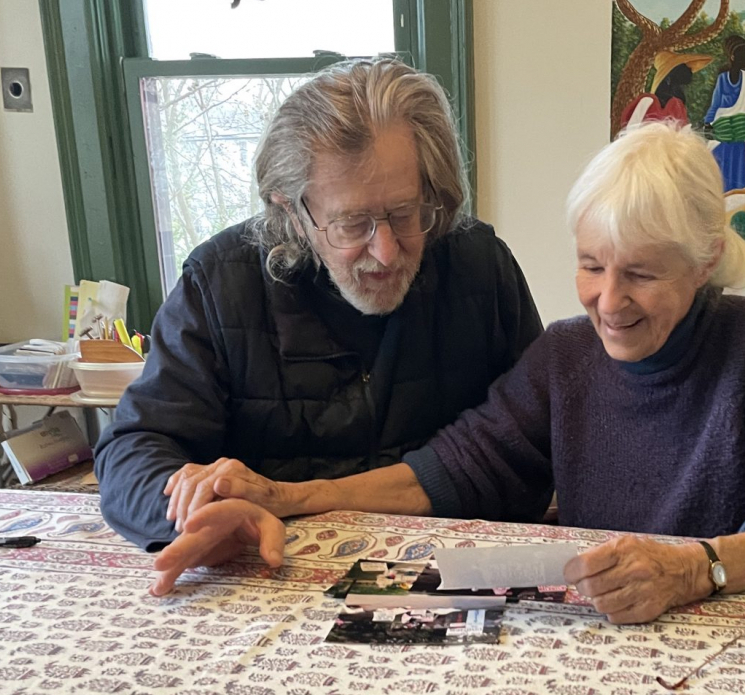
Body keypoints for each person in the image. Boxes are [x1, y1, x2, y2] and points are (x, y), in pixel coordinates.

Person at [152, 122, 745, 623]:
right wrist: (283, 496)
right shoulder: (566, 355)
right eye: (589, 265)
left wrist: (700, 568)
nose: (609, 303)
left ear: (705, 258)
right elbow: (449, 469)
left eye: (641, 273)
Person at [95, 58, 543, 580]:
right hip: (271, 576)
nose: (387, 249)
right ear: (291, 212)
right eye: (353, 224)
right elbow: (133, 449)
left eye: (405, 213)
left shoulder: (478, 266)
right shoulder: (221, 282)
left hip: (461, 577)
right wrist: (198, 514)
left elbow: (532, 441)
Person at [704, 35, 745, 191]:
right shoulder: (723, 79)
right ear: (732, 56)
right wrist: (708, 124)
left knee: (737, 177)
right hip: (722, 134)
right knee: (720, 176)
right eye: (743, 54)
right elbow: (715, 105)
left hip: (739, 134)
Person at [620, 50, 713, 129]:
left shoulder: (678, 106)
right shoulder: (646, 102)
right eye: (684, 67)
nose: (689, 71)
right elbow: (630, 134)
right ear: (670, 76)